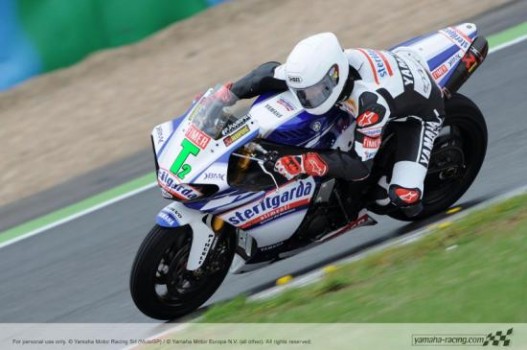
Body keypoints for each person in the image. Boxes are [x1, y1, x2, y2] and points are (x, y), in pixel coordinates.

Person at [212, 32, 445, 217]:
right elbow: (266, 74)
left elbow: (359, 167)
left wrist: (306, 162)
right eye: (303, 93)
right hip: (393, 73)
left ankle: (423, 208)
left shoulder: (370, 105)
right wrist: (230, 93)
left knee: (402, 196)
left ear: (335, 75)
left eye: (314, 91)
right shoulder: (313, 74)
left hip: (420, 115)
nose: (308, 98)